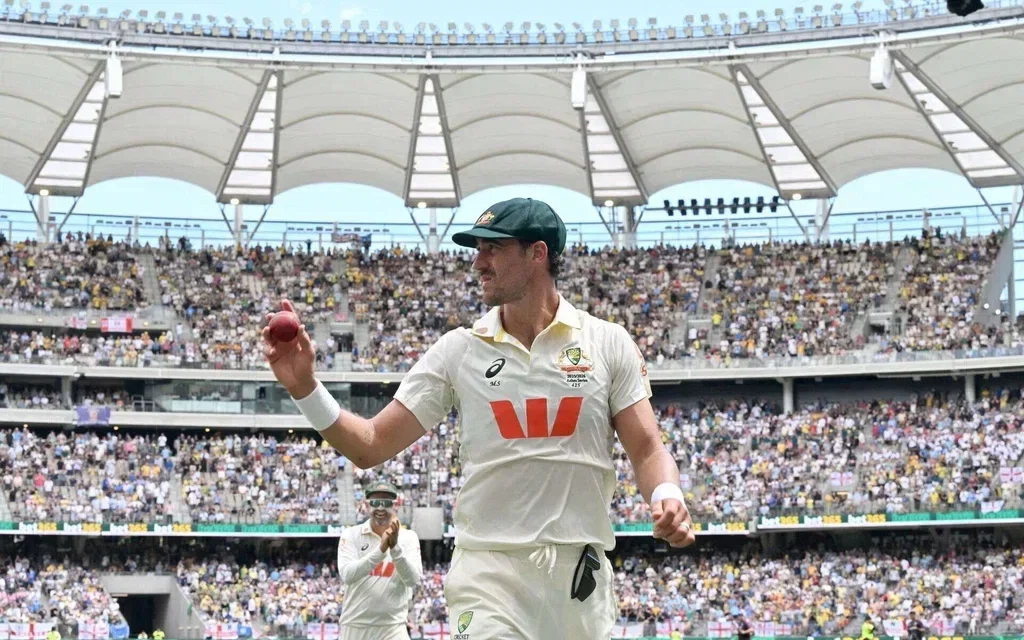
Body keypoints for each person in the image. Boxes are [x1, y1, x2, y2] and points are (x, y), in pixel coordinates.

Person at [263, 198, 695, 640]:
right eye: (477, 249)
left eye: (492, 248)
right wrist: (304, 388)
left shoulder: (608, 343)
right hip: (488, 575)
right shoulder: (459, 350)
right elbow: (370, 444)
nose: (478, 262)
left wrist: (666, 493)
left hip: (579, 582)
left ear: (537, 253)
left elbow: (647, 448)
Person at [336, 481, 423, 640]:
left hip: (393, 627)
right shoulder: (351, 535)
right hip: (355, 626)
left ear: (395, 506)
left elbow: (412, 580)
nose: (381, 508)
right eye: (375, 503)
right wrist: (381, 550)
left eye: (387, 503)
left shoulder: (409, 537)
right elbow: (347, 575)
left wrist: (395, 548)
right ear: (366, 505)